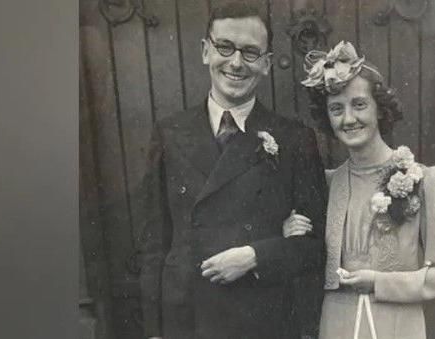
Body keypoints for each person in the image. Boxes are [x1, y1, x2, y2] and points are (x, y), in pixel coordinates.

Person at [137, 3, 327, 339]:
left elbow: (315, 247)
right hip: (188, 319)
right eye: (225, 47)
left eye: (251, 52)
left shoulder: (294, 138)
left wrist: (255, 255)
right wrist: (154, 330)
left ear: (267, 64)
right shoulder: (169, 133)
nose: (236, 63)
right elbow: (155, 244)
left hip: (262, 319)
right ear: (205, 51)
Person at [284, 41, 435, 339]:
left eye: (359, 105)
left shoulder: (427, 180)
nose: (349, 119)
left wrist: (380, 282)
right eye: (336, 109)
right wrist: (290, 230)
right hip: (335, 326)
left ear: (380, 108)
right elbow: (305, 257)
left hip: (397, 326)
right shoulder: (324, 184)